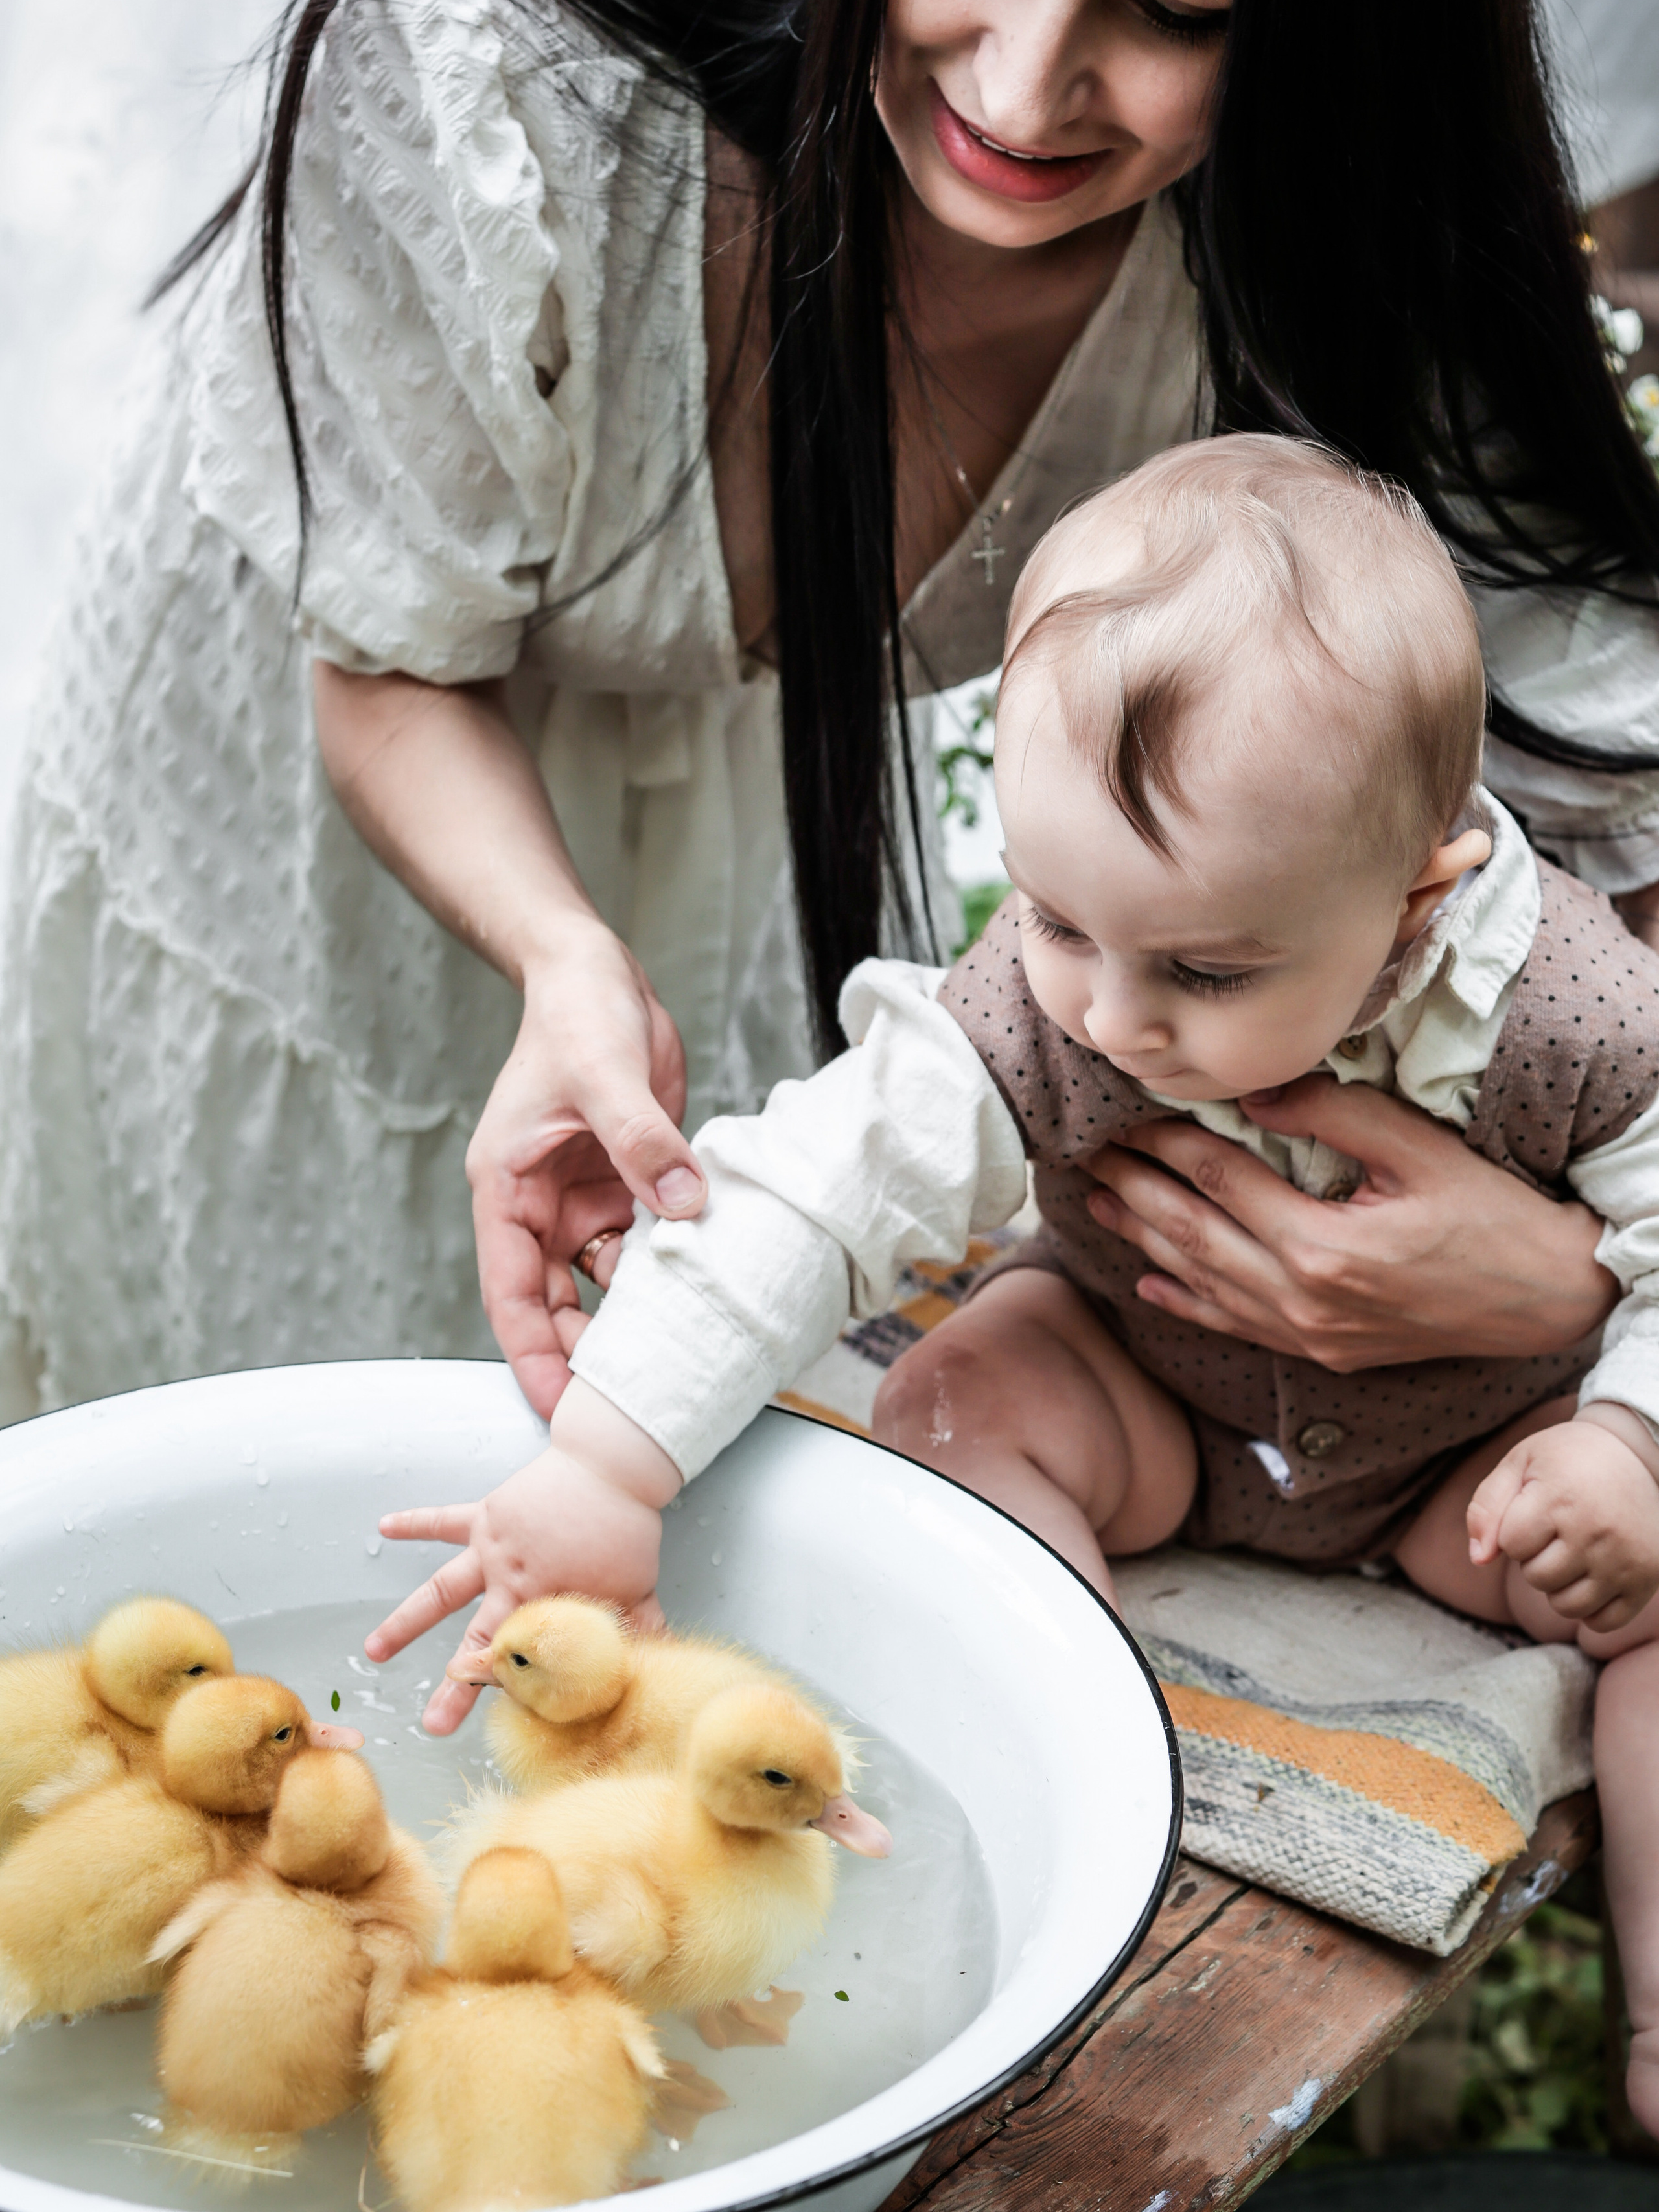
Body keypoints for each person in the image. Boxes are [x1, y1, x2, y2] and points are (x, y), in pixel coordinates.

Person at [4, 0, 1659, 1427]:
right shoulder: (505, 53)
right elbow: (387, 667)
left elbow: (1602, 728)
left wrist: (1574, 1273)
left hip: (702, 869)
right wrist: (564, 957)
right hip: (321, 819)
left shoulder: (1335, 226)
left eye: (1175, 10)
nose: (1019, 90)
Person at [367, 436, 1659, 2125]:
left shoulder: (1569, 1008)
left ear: (1421, 887)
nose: (1115, 1016)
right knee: (961, 1388)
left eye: (1204, 969)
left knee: (1653, 1604)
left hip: (1467, 1469)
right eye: (1056, 919)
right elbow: (814, 1190)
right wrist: (608, 1464)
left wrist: (1625, 1444)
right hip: (1159, 1399)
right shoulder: (1046, 1005)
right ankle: (1083, 1767)